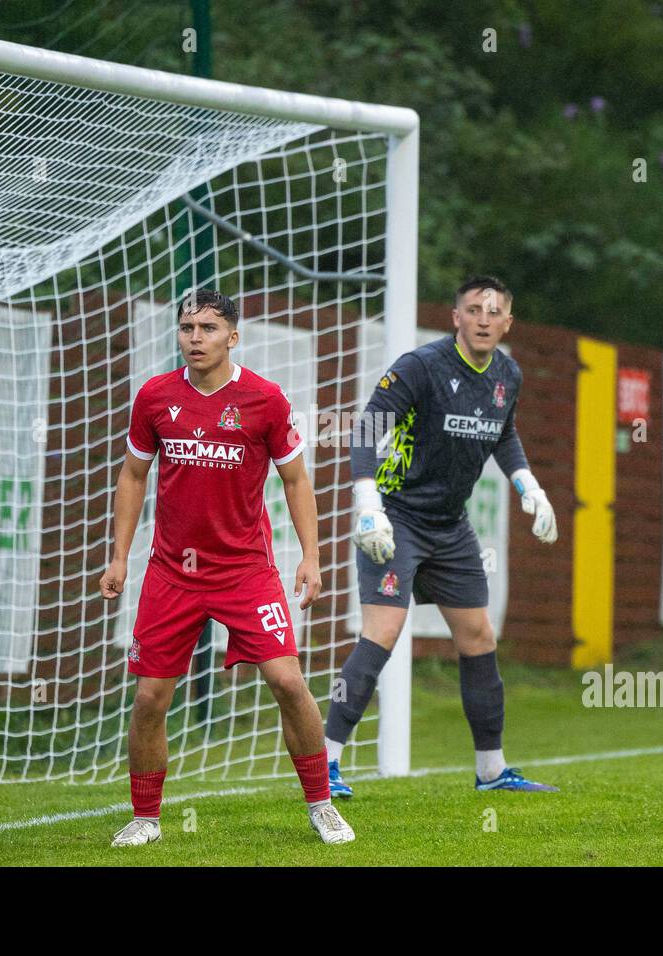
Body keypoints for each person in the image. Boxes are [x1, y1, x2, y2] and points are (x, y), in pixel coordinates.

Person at [100, 289, 354, 845]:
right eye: (187, 328)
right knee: (149, 699)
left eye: (208, 328)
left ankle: (321, 803)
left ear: (232, 337)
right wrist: (119, 556)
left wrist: (311, 557)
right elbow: (133, 477)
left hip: (245, 571)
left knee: (288, 681)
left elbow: (296, 480)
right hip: (171, 573)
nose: (196, 338)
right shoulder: (154, 397)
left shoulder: (265, 399)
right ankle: (145, 816)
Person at [328, 275, 560, 797]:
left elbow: (504, 432)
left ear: (507, 323)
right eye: (474, 309)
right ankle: (326, 763)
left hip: (450, 526)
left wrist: (529, 487)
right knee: (382, 633)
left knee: (479, 637)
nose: (483, 318)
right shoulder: (421, 366)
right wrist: (367, 505)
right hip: (396, 518)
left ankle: (491, 771)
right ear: (455, 317)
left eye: (494, 311)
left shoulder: (508, 374)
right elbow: (367, 430)